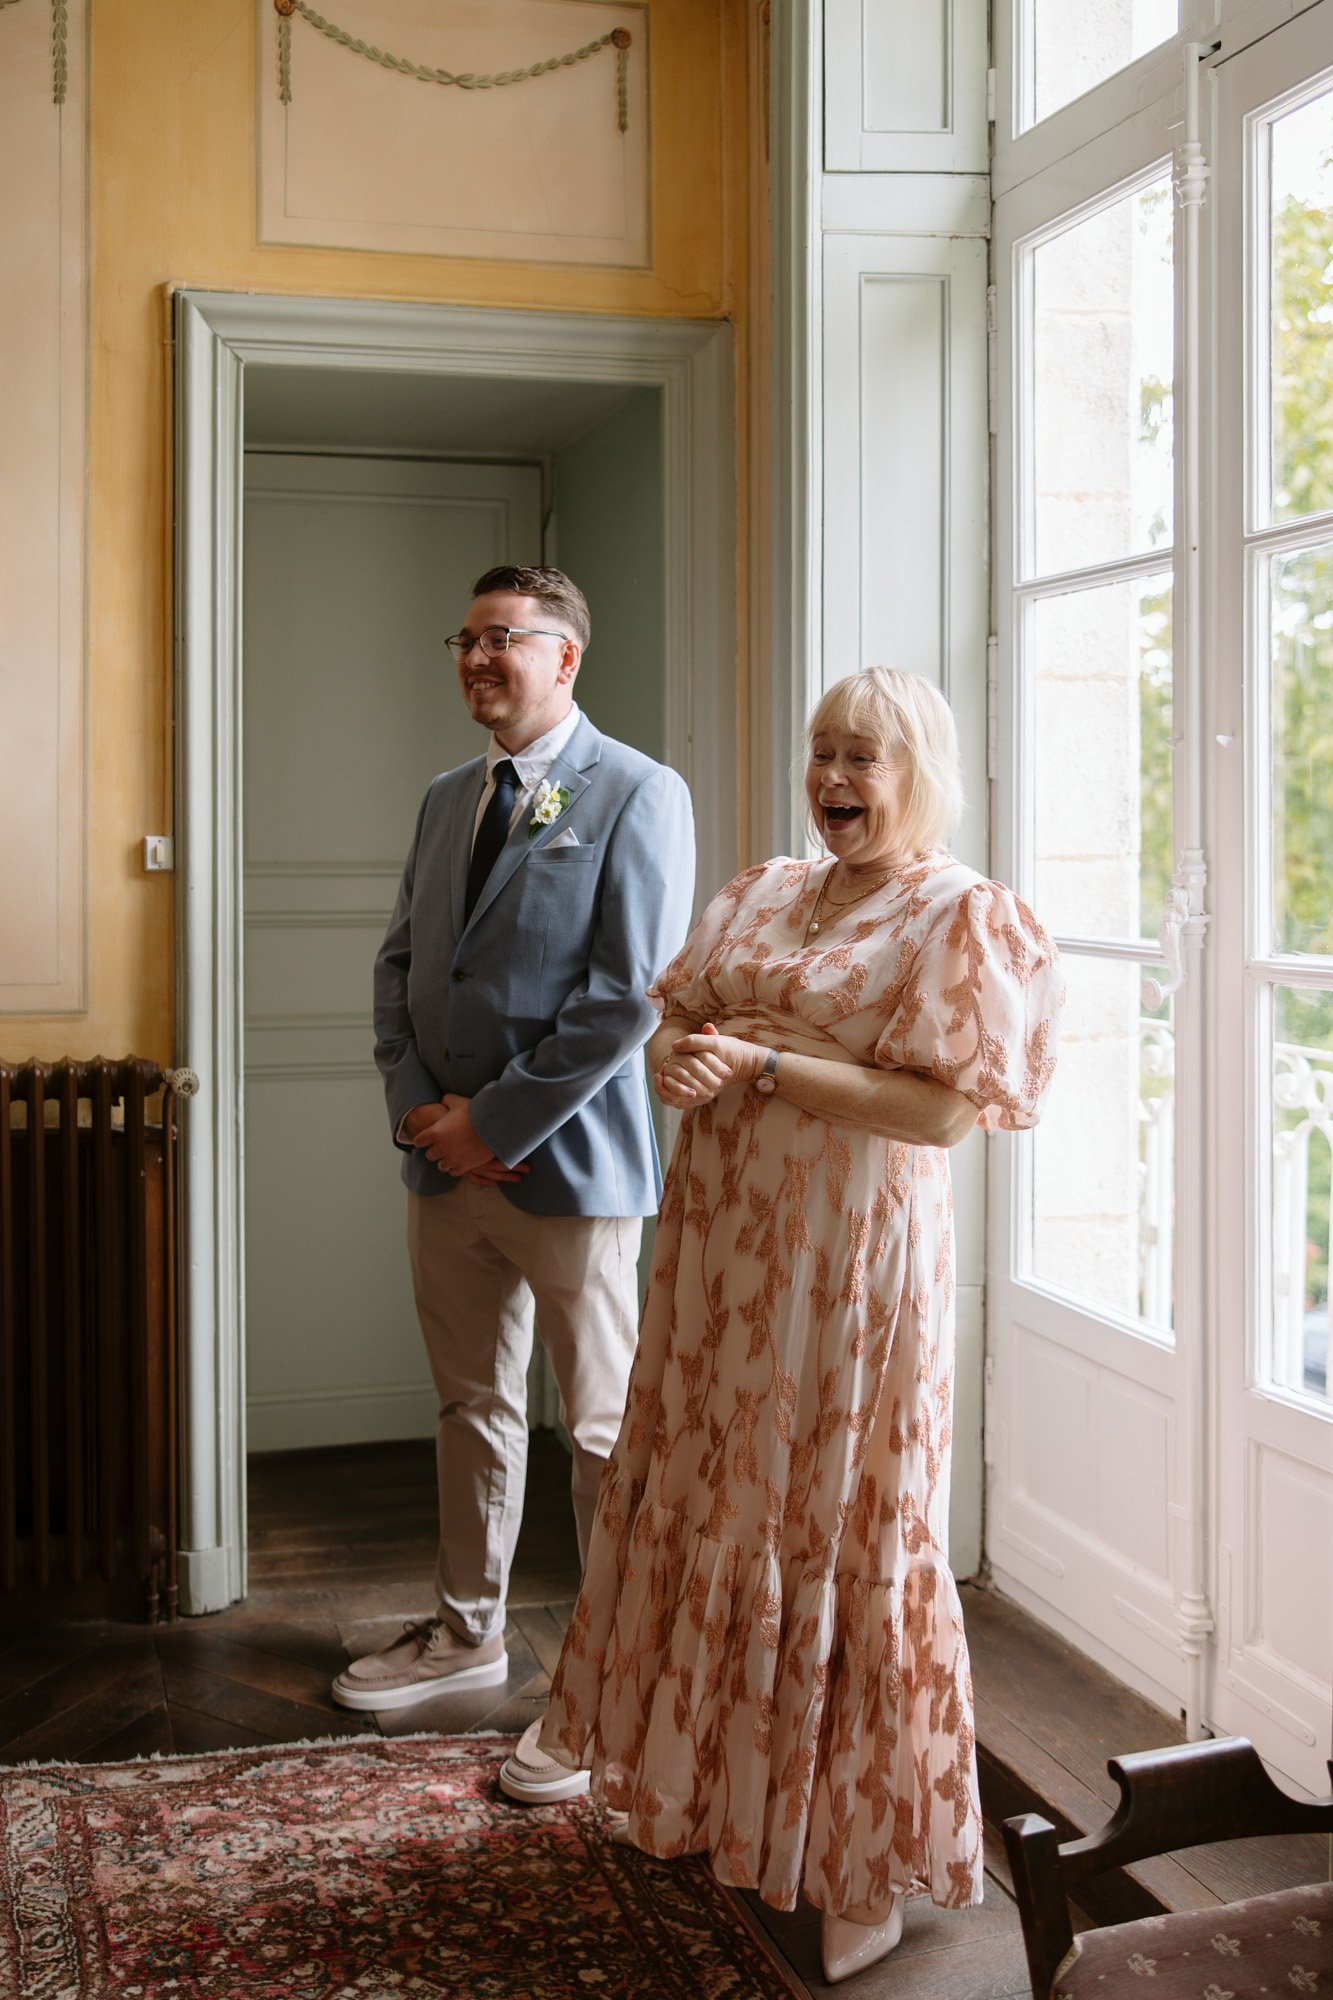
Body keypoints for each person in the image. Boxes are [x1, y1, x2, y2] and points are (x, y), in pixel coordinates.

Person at [539, 668, 1061, 1983]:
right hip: (723, 1265)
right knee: (724, 1508)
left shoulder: (958, 915)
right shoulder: (768, 891)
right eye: (822, 750)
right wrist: (680, 1063)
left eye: (863, 755)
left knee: (845, 1528)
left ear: (918, 769)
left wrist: (762, 1064)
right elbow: (683, 1035)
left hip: (849, 1273)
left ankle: (857, 1866)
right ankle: (720, 1799)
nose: (833, 774)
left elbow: (944, 1113)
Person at [333, 565, 696, 1814]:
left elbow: (628, 994)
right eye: (466, 638)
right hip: (444, 1167)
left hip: (573, 1170)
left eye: (504, 639)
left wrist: (494, 1121)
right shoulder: (448, 798)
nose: (478, 658)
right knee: (471, 1406)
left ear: (566, 657)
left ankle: (609, 1681)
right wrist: (423, 1115)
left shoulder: (638, 792)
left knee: (600, 1431)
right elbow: (398, 966)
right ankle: (466, 1634)